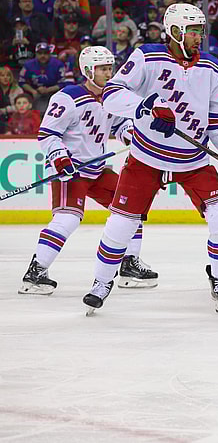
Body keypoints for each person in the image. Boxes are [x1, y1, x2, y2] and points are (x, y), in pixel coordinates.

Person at [83, 3, 218, 315]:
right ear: (175, 31)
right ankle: (101, 281)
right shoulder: (147, 56)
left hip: (193, 160)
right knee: (121, 223)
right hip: (146, 158)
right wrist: (147, 107)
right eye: (193, 31)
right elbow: (111, 93)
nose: (199, 37)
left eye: (200, 31)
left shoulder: (212, 68)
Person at [19, 46, 156, 296]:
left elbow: (120, 123)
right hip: (72, 171)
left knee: (133, 205)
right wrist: (60, 158)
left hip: (98, 169)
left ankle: (128, 265)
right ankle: (36, 271)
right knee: (68, 219)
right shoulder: (67, 97)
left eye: (109, 68)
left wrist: (129, 135)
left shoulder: (112, 97)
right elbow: (48, 133)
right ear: (88, 70)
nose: (108, 73)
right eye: (102, 68)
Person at [19, 42, 66, 113]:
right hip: (34, 92)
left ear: (50, 54)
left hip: (54, 93)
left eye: (45, 53)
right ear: (36, 54)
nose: (43, 56)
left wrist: (48, 90)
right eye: (40, 53)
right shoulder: (28, 65)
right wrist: (33, 91)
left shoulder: (58, 64)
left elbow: (63, 83)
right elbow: (21, 81)